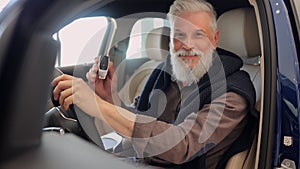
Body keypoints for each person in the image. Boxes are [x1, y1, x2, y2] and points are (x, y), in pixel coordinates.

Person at [52, 0, 258, 168]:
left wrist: (101, 108)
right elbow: (143, 119)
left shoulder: (234, 92)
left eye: (198, 34)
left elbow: (182, 145)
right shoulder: (166, 72)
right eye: (179, 35)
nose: (187, 44)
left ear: (215, 39)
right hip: (142, 158)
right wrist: (108, 97)